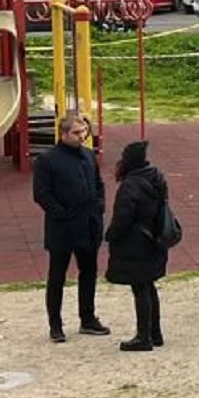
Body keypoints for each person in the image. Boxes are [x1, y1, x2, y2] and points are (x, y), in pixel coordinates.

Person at [32, 113, 109, 343]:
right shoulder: (47, 160)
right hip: (62, 228)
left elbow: (98, 183)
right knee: (57, 275)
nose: (82, 136)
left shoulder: (88, 155)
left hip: (88, 224)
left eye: (83, 131)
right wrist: (62, 214)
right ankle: (55, 324)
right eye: (76, 133)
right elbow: (42, 194)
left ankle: (87, 318)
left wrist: (99, 206)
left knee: (89, 272)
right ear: (63, 134)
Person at [104, 141, 170, 352]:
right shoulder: (156, 176)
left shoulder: (130, 185)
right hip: (154, 238)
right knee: (149, 286)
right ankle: (155, 332)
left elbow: (123, 217)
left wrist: (111, 235)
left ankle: (144, 336)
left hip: (135, 242)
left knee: (140, 288)